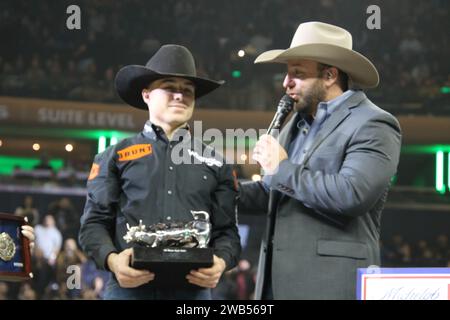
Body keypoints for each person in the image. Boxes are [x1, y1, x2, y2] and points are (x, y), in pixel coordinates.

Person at [239, 22, 402, 299]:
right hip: (272, 285)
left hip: (329, 285)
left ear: (329, 75)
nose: (286, 83)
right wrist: (220, 186)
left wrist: (281, 168)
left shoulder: (374, 123)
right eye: (287, 73)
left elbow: (352, 194)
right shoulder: (296, 122)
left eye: (297, 74)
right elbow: (274, 192)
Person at [79, 44, 241, 300]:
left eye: (188, 90)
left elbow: (227, 232)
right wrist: (112, 260)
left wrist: (221, 262)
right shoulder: (114, 157)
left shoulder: (217, 163)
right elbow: (93, 224)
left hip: (193, 295)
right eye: (169, 87)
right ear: (146, 95)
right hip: (126, 291)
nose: (180, 95)